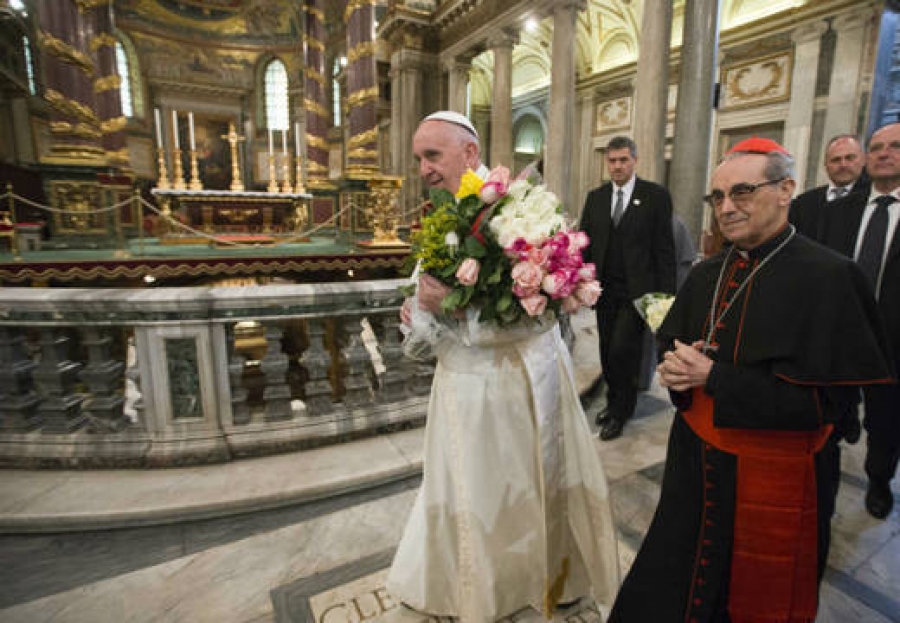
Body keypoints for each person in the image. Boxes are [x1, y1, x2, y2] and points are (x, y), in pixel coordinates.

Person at [609, 137, 893, 622]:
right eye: (717, 196)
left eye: (742, 192)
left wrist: (716, 377)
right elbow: (675, 345)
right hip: (693, 465)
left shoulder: (830, 277)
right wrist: (675, 371)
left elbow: (827, 407)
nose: (726, 207)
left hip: (776, 475)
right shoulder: (706, 273)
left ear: (785, 190)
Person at [387, 111, 620, 622]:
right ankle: (469, 586)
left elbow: (543, 316)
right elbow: (430, 304)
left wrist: (451, 308)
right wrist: (417, 310)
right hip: (461, 385)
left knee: (512, 489)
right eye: (419, 158)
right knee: (465, 488)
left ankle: (526, 581)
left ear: (469, 153)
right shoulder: (442, 216)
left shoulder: (523, 210)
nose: (423, 169)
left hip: (517, 385)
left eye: (433, 155)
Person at [820, 122, 900, 520]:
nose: (884, 153)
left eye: (895, 146)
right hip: (838, 336)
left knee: (886, 420)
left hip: (893, 343)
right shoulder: (839, 212)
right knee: (830, 413)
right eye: (877, 147)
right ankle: (824, 486)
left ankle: (879, 479)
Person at [579, 136, 677, 440]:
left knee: (624, 350)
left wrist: (666, 298)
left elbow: (664, 250)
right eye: (612, 160)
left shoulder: (655, 196)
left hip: (639, 292)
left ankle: (621, 410)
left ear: (635, 160)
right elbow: (584, 244)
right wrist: (580, 282)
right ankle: (613, 403)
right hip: (604, 291)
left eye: (623, 160)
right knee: (607, 350)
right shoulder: (596, 198)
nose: (618, 166)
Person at [789, 134, 870, 241]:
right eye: (836, 160)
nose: (843, 165)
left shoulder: (873, 200)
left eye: (849, 158)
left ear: (864, 160)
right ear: (825, 164)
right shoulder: (804, 203)